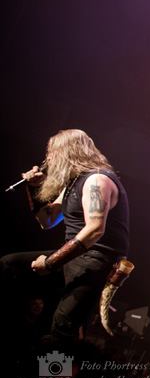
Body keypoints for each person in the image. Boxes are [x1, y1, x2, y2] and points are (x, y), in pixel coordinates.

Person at [1, 129, 130, 343]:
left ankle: (57, 375)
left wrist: (50, 263)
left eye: (52, 153)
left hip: (96, 260)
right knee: (9, 265)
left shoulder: (97, 180)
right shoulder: (73, 184)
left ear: (68, 153)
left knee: (62, 327)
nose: (47, 159)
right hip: (75, 256)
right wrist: (34, 189)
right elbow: (48, 221)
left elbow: (95, 229)